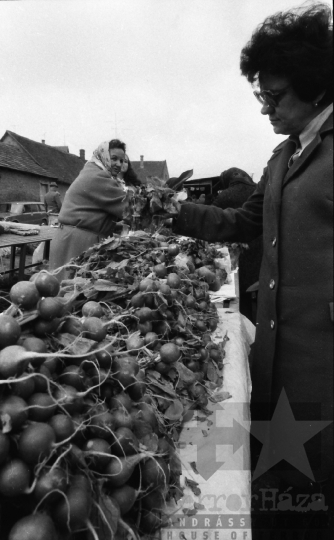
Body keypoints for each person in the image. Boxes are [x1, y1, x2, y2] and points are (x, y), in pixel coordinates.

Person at [171, 2, 333, 524]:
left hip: (323, 360)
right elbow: (241, 221)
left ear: (316, 84)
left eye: (276, 96)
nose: (266, 108)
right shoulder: (284, 157)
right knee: (286, 481)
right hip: (278, 355)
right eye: (262, 96)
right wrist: (171, 209)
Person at [49, 139, 130, 281]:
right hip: (77, 240)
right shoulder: (98, 177)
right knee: (70, 289)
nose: (118, 164)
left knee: (62, 287)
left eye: (122, 161)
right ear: (103, 156)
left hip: (70, 235)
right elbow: (128, 207)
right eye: (114, 159)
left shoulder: (94, 171)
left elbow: (92, 213)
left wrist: (114, 226)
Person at [212, 167, 263, 323]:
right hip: (263, 249)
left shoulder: (224, 196)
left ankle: (246, 322)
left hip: (238, 253)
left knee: (242, 291)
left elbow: (215, 222)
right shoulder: (259, 191)